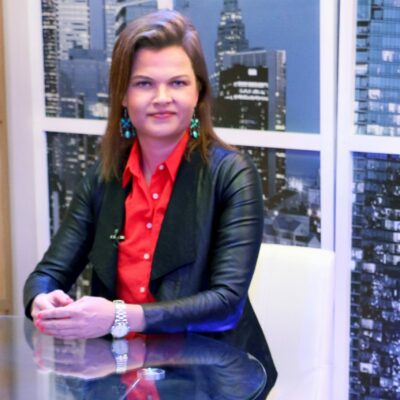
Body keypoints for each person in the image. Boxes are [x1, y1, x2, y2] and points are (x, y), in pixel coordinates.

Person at [23, 9, 277, 395]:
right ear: (123, 96)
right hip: (116, 377)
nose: (162, 98)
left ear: (198, 92)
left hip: (207, 380)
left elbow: (226, 303)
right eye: (144, 83)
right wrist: (41, 300)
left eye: (178, 82)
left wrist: (119, 316)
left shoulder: (232, 174)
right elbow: (47, 274)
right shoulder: (104, 176)